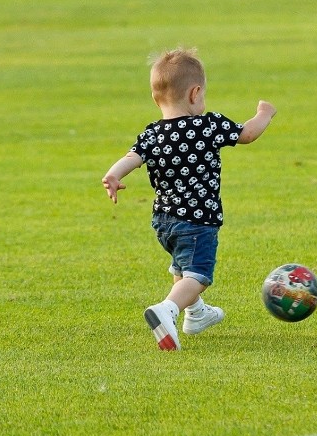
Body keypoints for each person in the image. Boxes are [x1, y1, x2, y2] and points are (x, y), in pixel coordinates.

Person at [102, 47, 277, 350]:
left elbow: (132, 158)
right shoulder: (207, 125)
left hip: (163, 221)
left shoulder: (152, 134)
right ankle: (167, 309)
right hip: (198, 219)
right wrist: (264, 114)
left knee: (182, 267)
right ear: (195, 93)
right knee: (198, 274)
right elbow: (247, 134)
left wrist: (113, 175)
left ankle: (195, 313)